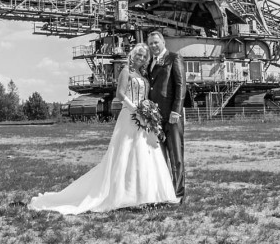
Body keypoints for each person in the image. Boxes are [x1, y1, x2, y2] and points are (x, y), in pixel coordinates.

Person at [28, 43, 178, 214]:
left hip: (144, 116)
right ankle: (127, 196)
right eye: (139, 55)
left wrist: (148, 112)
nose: (141, 58)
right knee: (127, 154)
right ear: (133, 55)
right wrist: (137, 111)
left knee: (147, 153)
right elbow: (120, 95)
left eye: (144, 56)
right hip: (130, 116)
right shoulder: (126, 71)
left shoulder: (142, 74)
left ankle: (149, 195)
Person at [146, 30, 186, 203]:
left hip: (172, 116)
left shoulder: (173, 58)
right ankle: (165, 192)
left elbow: (180, 84)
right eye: (151, 43)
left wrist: (176, 111)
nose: (153, 46)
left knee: (176, 155)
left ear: (163, 42)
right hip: (156, 117)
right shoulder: (150, 63)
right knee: (160, 157)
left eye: (156, 42)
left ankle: (178, 194)